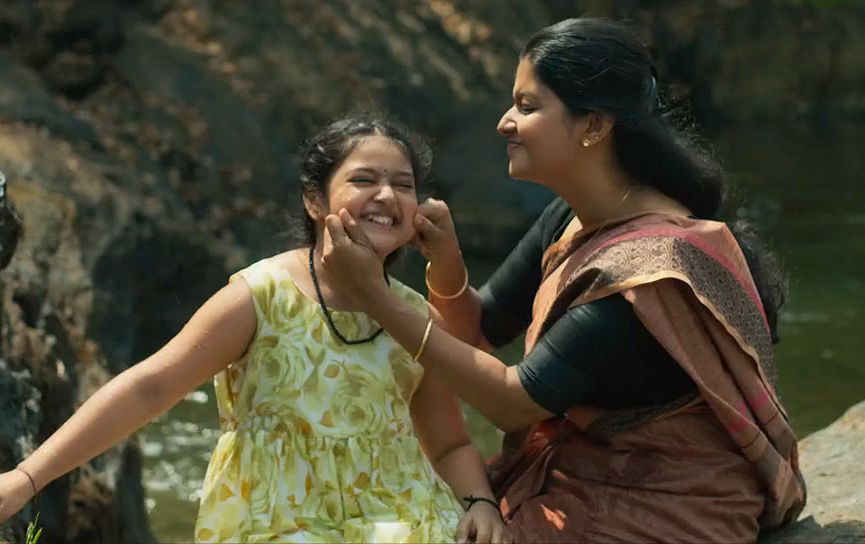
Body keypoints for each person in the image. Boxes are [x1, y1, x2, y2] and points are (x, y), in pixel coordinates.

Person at [318, 18, 806, 543]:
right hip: (586, 471)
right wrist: (447, 263)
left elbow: (511, 402)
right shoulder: (571, 218)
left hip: (668, 503)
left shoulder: (647, 269)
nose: (504, 122)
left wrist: (376, 298)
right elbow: (477, 329)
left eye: (527, 107)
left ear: (593, 125)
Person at [0, 115, 508, 543]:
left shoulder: (414, 316)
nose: (386, 195)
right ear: (315, 201)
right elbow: (149, 388)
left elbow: (449, 443)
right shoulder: (260, 297)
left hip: (404, 520)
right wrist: (26, 478)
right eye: (363, 180)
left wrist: (481, 503)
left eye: (403, 184)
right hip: (276, 522)